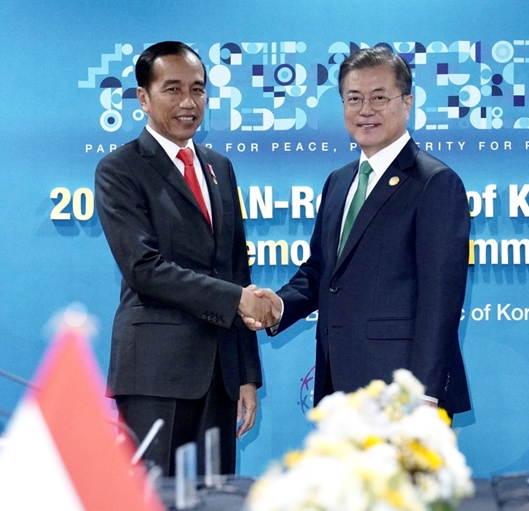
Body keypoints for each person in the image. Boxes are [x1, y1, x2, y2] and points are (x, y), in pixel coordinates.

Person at [247, 47, 471, 417]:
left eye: (379, 97)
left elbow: (441, 301)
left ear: (407, 102)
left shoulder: (435, 183)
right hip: (339, 388)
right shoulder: (339, 182)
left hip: (403, 395)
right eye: (354, 99)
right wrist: (279, 306)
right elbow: (321, 272)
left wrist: (425, 396)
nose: (366, 110)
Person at [95, 41, 277, 475]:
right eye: (172, 89)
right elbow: (144, 269)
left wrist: (246, 374)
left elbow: (236, 270)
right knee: (153, 499)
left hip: (220, 374)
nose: (188, 102)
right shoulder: (120, 170)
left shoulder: (220, 166)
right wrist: (235, 298)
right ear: (143, 98)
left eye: (197, 90)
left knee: (218, 497)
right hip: (155, 372)